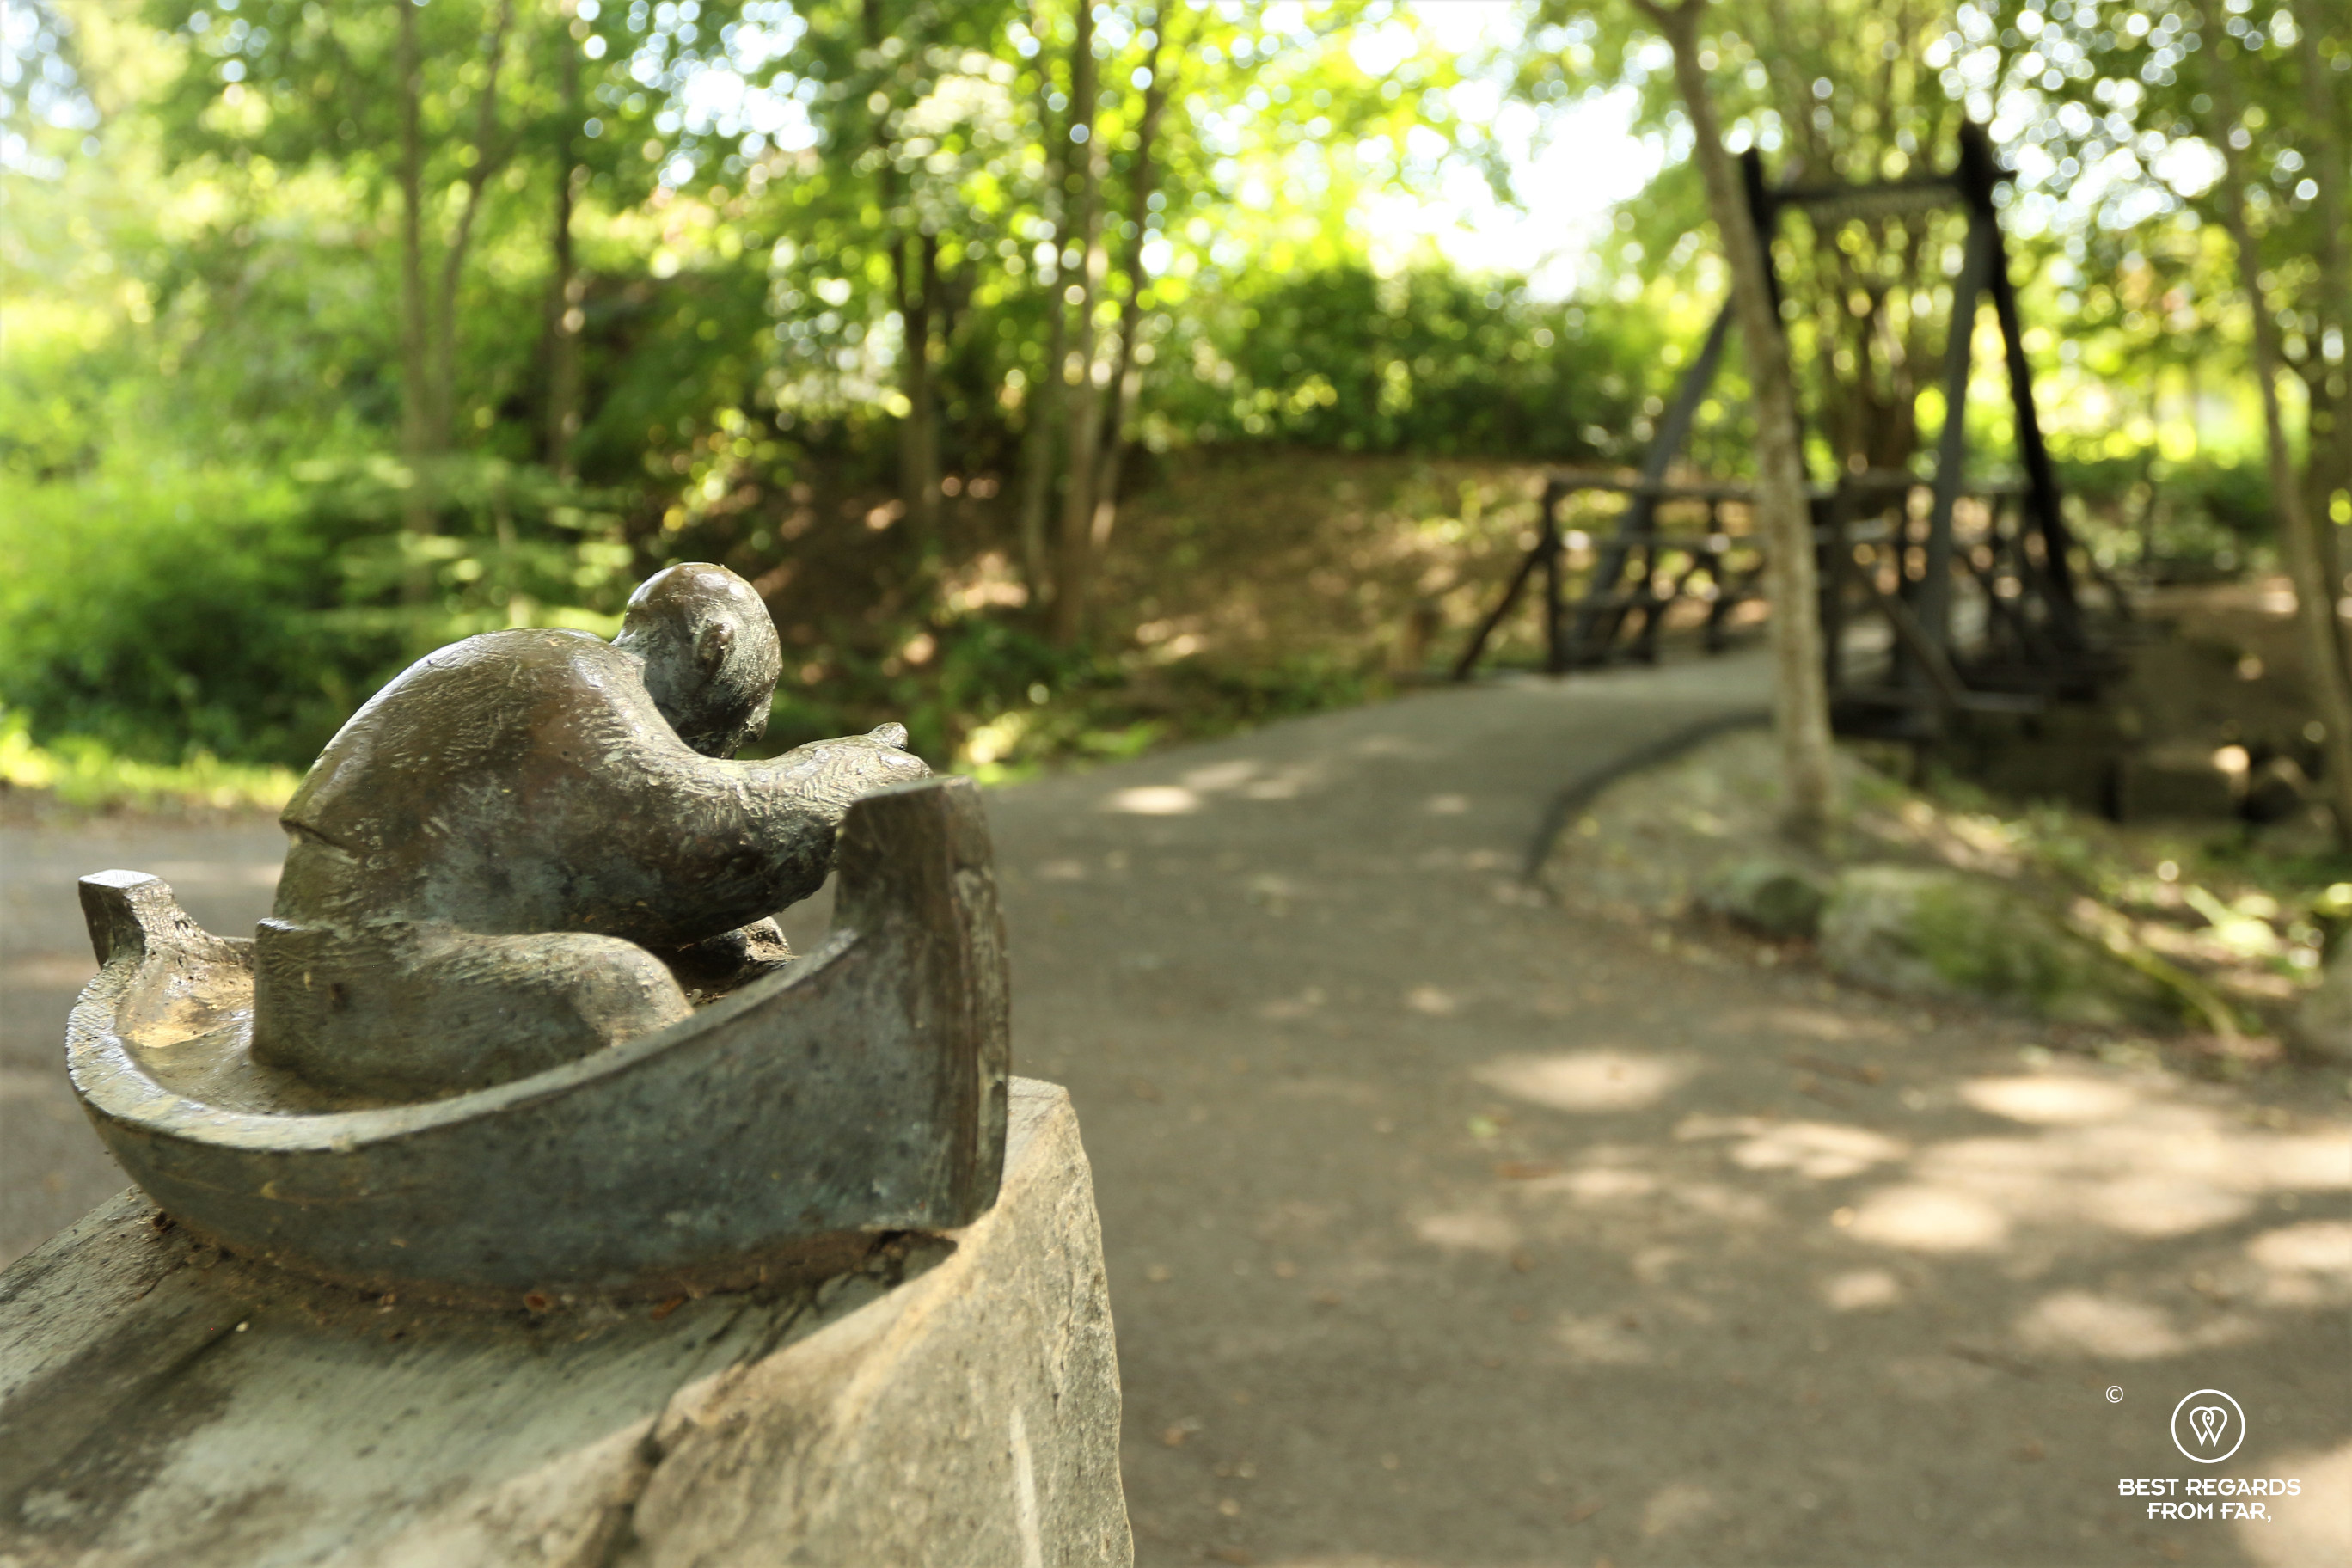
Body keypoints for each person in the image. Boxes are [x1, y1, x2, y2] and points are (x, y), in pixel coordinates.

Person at [250, 563, 928, 1101]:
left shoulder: (558, 663)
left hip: (349, 968)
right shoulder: (577, 686)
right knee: (614, 989)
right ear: (712, 649)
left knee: (727, 948)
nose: (754, 729)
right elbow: (702, 842)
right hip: (353, 982)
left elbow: (620, 874)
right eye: (755, 699)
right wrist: (850, 775)